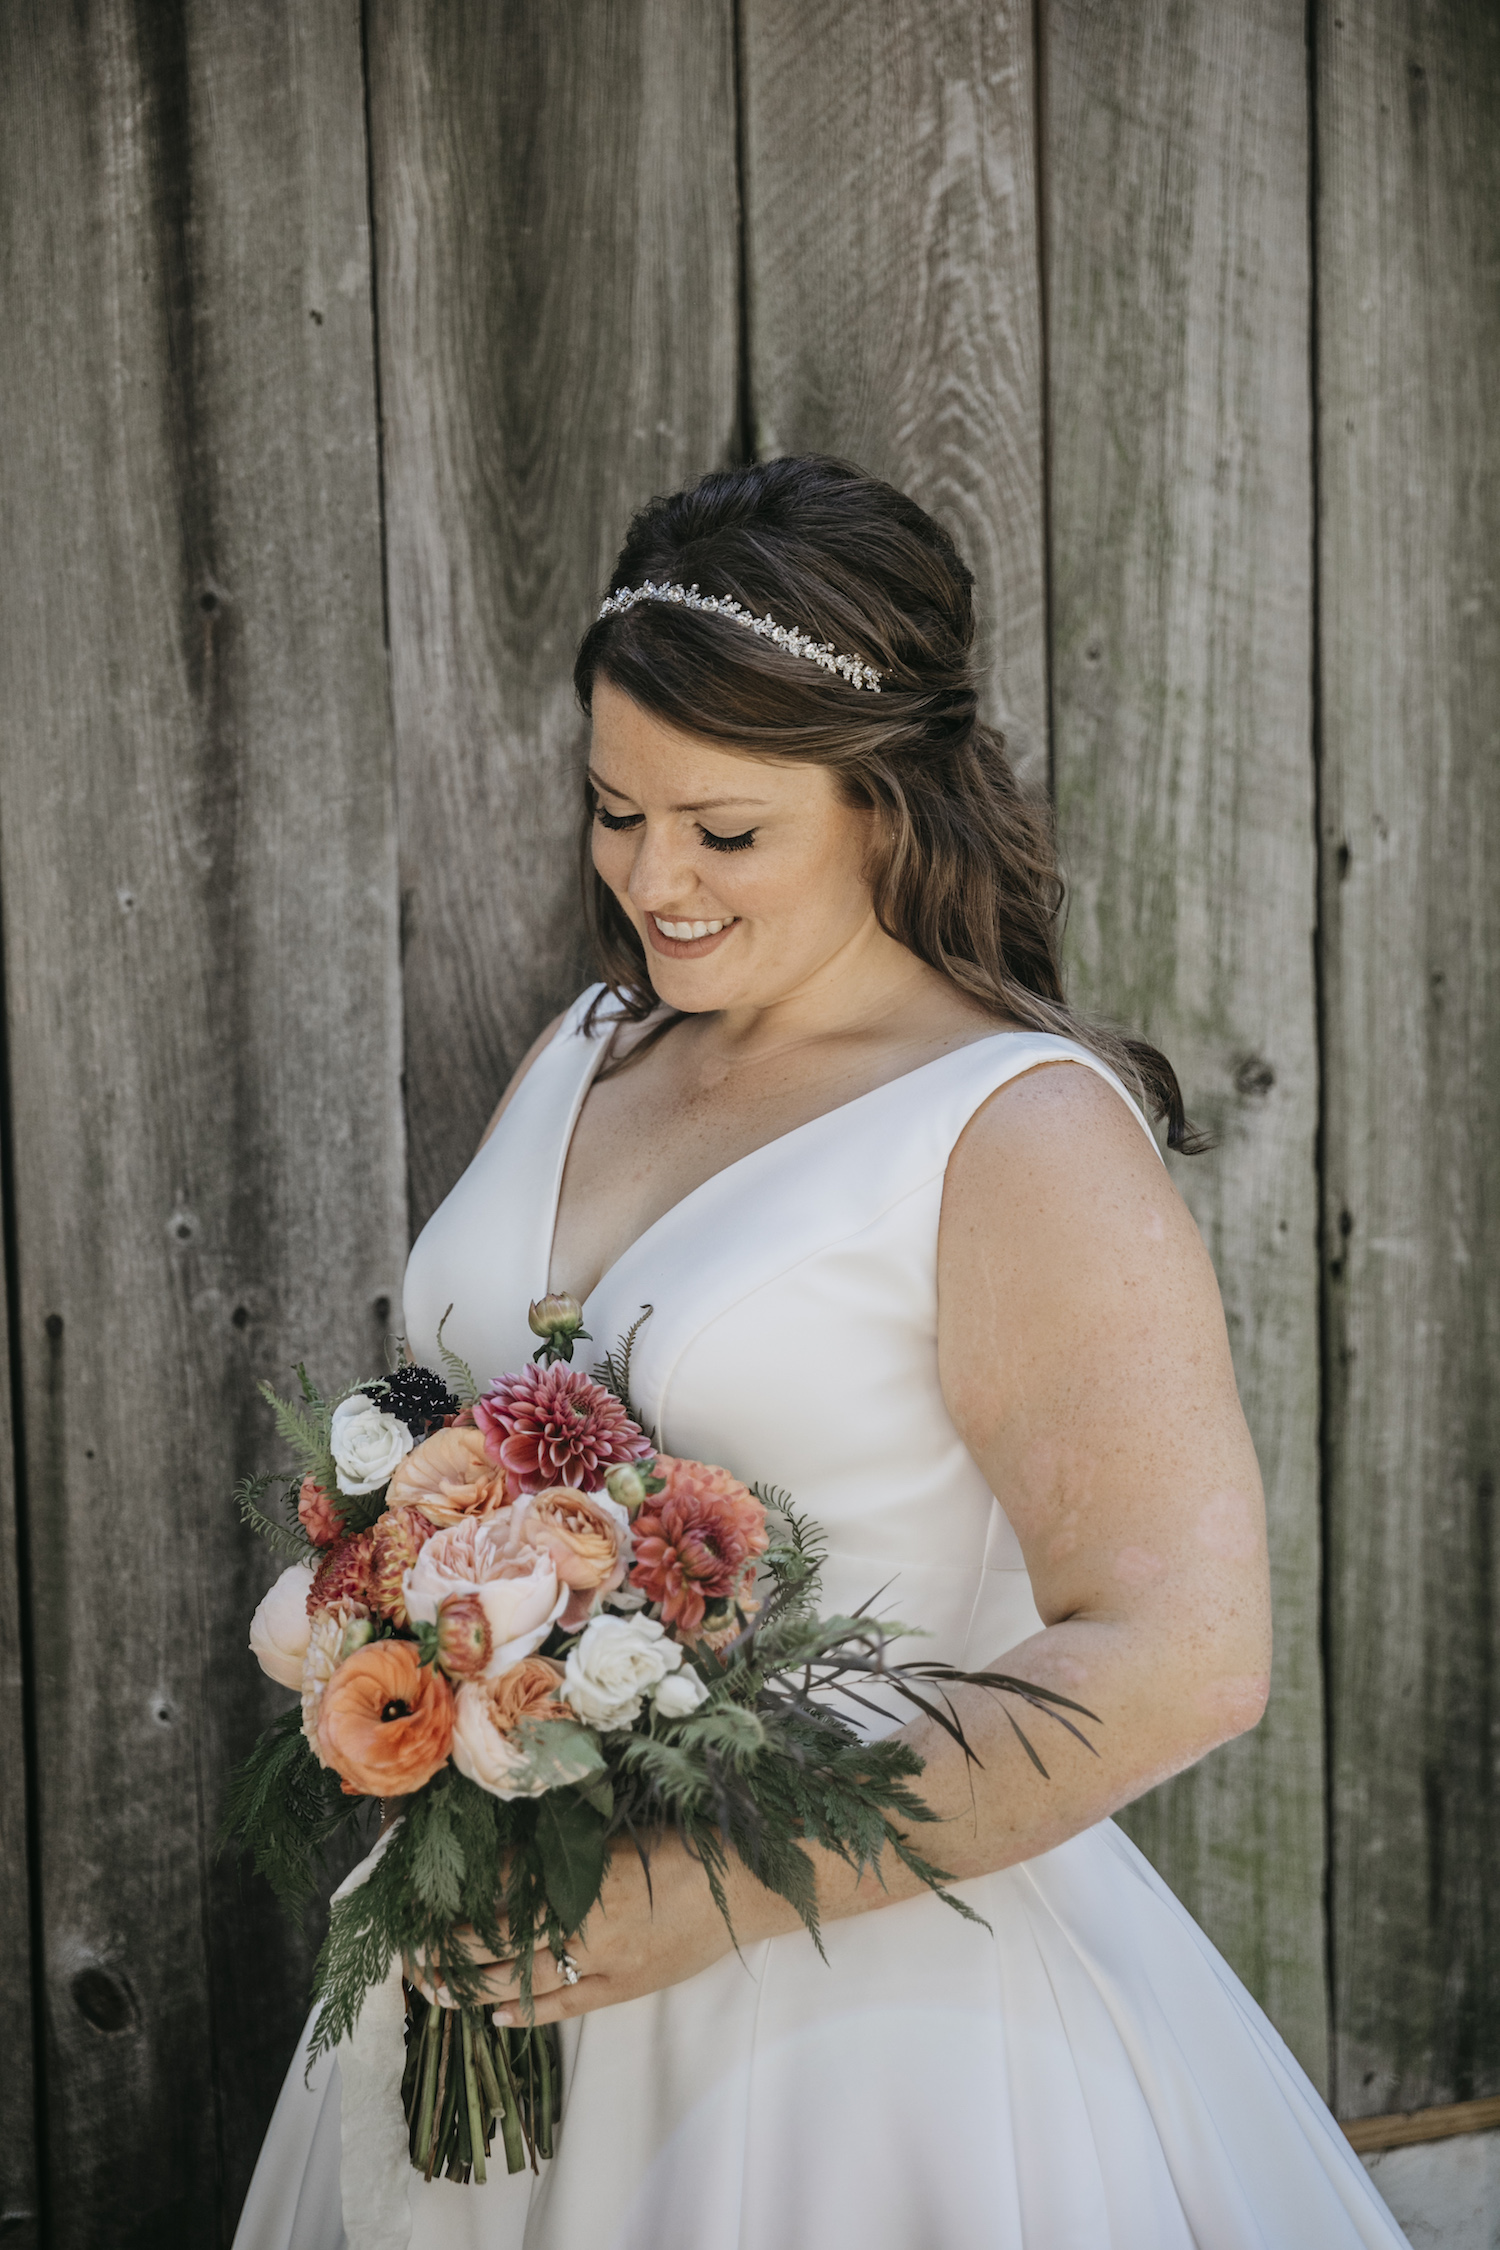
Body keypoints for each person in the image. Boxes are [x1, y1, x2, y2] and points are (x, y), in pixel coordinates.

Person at [236, 456, 1408, 2249]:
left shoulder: (1013, 1133)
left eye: (726, 830)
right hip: (495, 1951)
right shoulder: (588, 1041)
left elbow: (1184, 1655)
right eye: (614, 811)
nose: (653, 880)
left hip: (843, 2021)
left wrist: (709, 1892)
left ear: (885, 800)